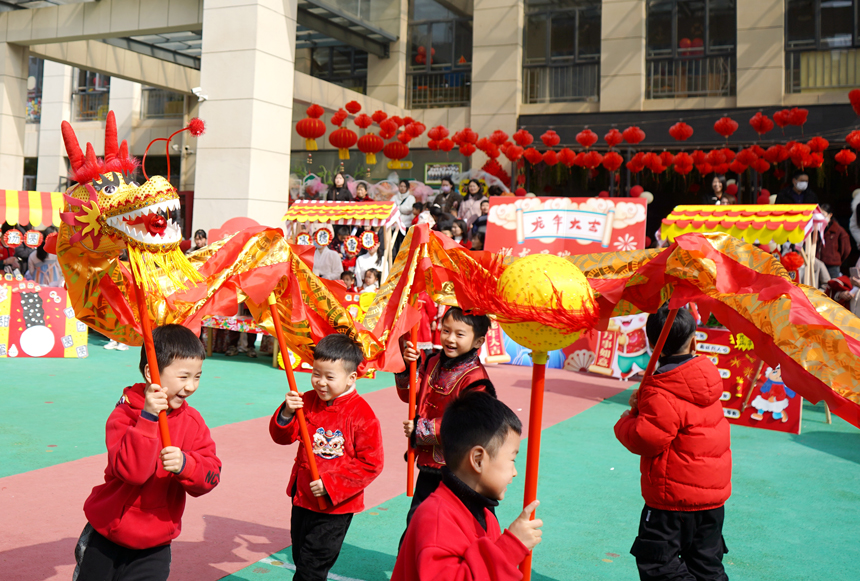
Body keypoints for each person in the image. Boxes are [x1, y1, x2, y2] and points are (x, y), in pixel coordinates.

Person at [74, 325, 221, 580]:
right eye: (183, 377)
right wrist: (148, 419)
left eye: (197, 376)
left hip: (155, 544)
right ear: (150, 373)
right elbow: (133, 473)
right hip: (107, 534)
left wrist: (186, 464)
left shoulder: (193, 422)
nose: (191, 386)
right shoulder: (124, 414)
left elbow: (211, 476)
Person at [614, 306, 731, 581]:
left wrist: (625, 421)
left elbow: (646, 439)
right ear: (694, 341)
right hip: (712, 500)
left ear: (652, 344)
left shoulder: (660, 388)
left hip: (671, 503)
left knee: (658, 565)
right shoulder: (707, 379)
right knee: (706, 564)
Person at [391, 391, 543, 581]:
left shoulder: (486, 516)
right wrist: (511, 548)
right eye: (512, 459)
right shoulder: (436, 518)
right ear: (478, 459)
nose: (514, 472)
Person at [269, 334, 383, 581]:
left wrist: (331, 484)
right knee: (300, 557)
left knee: (312, 568)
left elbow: (371, 464)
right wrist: (287, 412)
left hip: (335, 507)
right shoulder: (306, 400)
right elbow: (282, 437)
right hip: (302, 498)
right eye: (316, 373)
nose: (320, 382)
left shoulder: (362, 414)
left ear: (351, 378)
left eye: (330, 377)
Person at [397, 307, 493, 536]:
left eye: (459, 334)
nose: (450, 338)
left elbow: (469, 422)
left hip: (460, 470)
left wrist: (420, 429)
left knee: (458, 527)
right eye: (446, 330)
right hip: (429, 464)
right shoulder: (432, 362)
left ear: (478, 340)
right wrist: (406, 368)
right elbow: (410, 396)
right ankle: (410, 570)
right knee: (417, 523)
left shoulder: (476, 379)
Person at [816, 203, 851, 278]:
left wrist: (836, 258)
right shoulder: (817, 228)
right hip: (819, 263)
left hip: (832, 266)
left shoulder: (838, 230)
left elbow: (846, 249)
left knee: (833, 285)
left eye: (823, 214)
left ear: (830, 215)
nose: (821, 217)